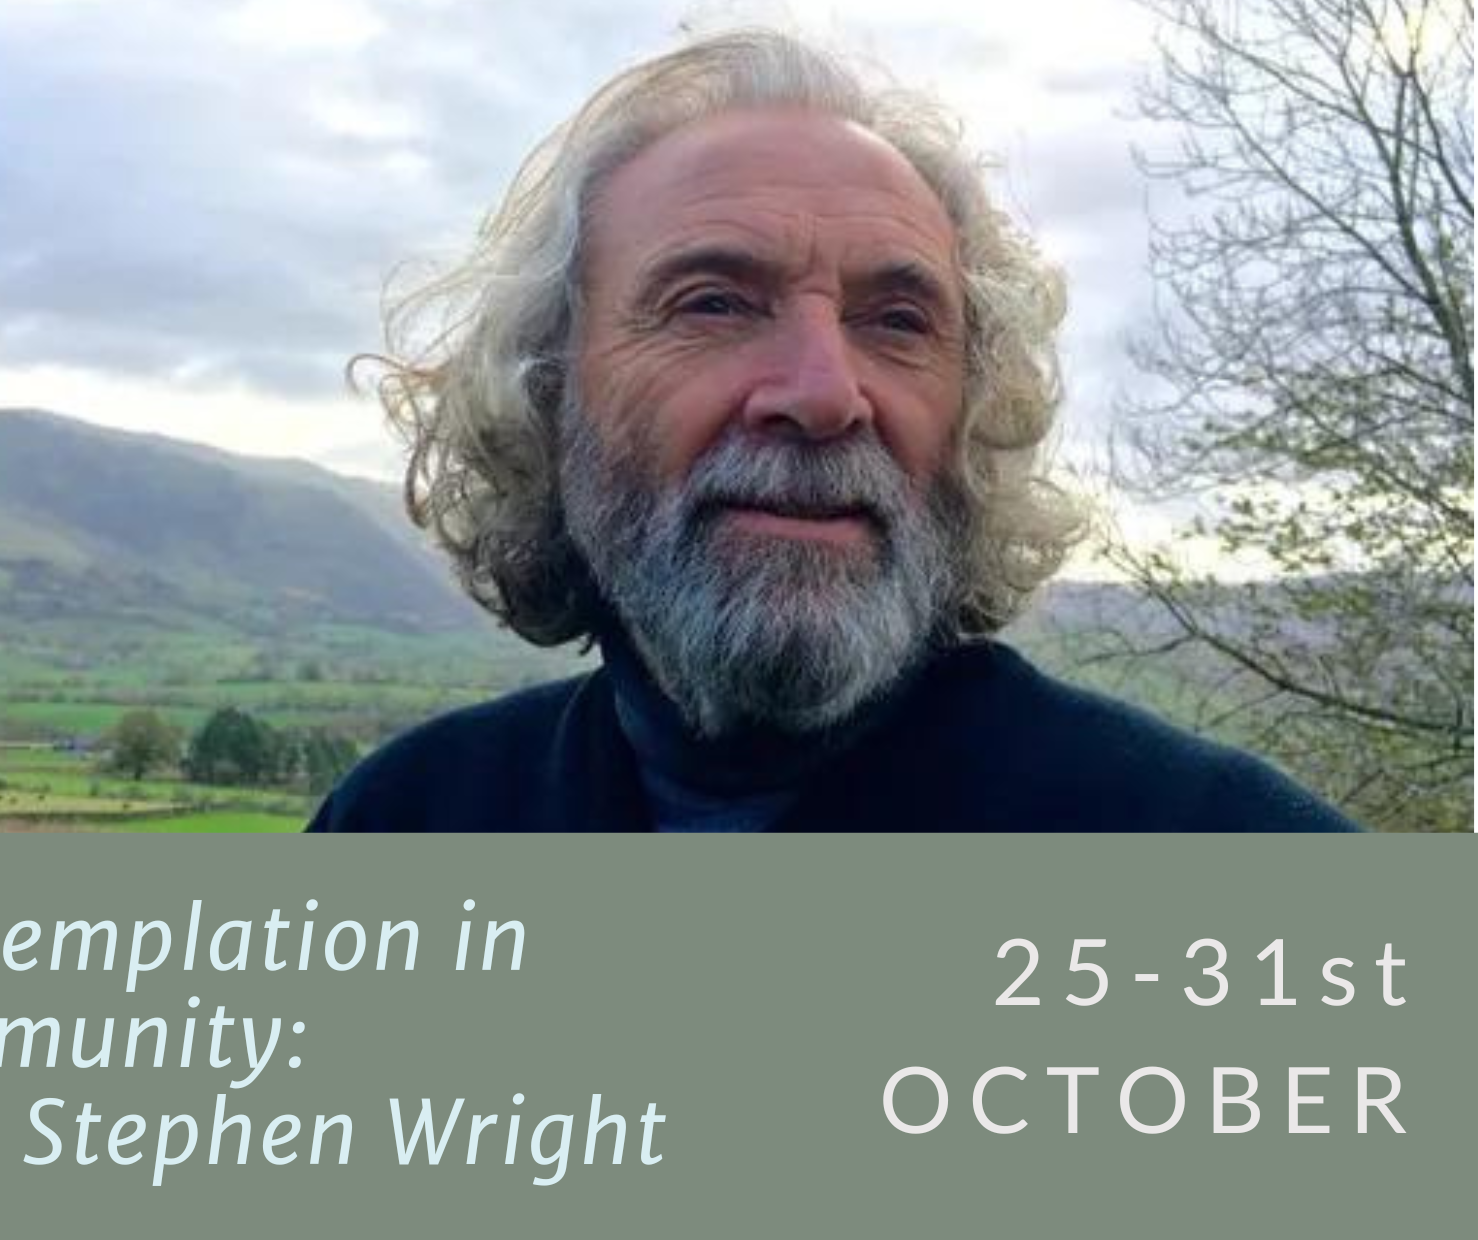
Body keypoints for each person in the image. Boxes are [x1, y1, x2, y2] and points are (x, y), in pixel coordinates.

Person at [309, 29, 1359, 833]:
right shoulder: (408, 821)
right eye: (712, 302)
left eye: (897, 322)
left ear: (968, 414)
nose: (823, 393)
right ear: (546, 389)